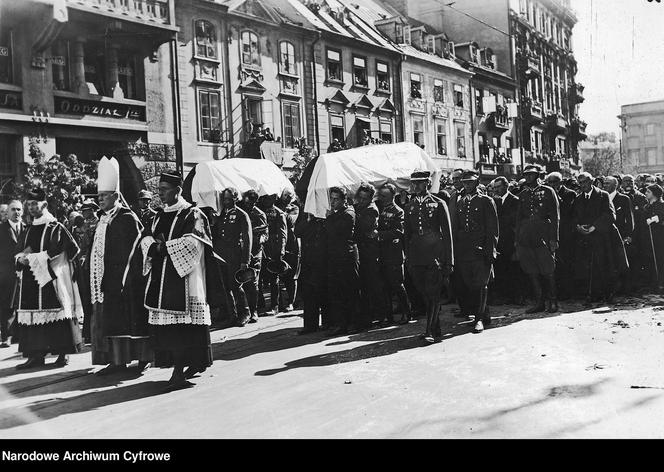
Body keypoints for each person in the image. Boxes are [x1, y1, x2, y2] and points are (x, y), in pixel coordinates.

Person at [141, 171, 228, 391]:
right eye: (159, 189)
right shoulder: (159, 215)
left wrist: (162, 248)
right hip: (162, 278)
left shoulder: (193, 214)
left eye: (164, 189)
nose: (159, 194)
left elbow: (193, 245)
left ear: (177, 190)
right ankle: (179, 367)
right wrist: (153, 247)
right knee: (170, 329)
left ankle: (182, 370)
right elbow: (146, 238)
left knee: (185, 328)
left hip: (186, 278)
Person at [90, 157, 151, 374]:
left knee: (132, 318)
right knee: (113, 320)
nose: (100, 200)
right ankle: (117, 360)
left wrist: (127, 276)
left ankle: (143, 358)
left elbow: (137, 250)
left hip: (128, 279)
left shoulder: (127, 218)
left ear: (116, 196)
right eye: (98, 196)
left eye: (104, 196)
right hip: (108, 280)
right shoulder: (102, 219)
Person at [14, 188, 83, 369]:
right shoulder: (28, 228)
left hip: (52, 277)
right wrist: (20, 258)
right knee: (33, 315)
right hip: (31, 279)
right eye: (28, 204)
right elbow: (21, 248)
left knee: (56, 314)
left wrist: (33, 258)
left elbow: (68, 249)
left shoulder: (55, 227)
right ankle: (35, 355)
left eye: (34, 204)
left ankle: (62, 354)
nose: (30, 208)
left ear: (44, 204)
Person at [404, 171, 453, 343]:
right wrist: (408, 258)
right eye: (413, 183)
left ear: (427, 183)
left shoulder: (438, 203)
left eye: (419, 183)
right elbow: (407, 235)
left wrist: (449, 260)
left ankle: (429, 331)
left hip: (434, 255)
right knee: (424, 292)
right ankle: (435, 326)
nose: (416, 186)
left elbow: (447, 235)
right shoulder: (409, 206)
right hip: (417, 255)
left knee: (433, 293)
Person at [452, 171, 498, 333]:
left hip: (481, 248)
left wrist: (491, 250)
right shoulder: (460, 202)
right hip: (464, 250)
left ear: (477, 182)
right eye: (464, 182)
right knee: (470, 284)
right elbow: (457, 228)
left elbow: (492, 228)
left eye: (470, 182)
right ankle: (484, 314)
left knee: (481, 284)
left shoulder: (486, 201)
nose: (466, 185)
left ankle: (479, 319)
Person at [572, 172, 628, 304]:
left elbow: (610, 215)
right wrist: (578, 227)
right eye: (580, 183)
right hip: (585, 239)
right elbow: (573, 217)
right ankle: (592, 294)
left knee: (604, 265)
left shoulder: (603, 195)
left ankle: (608, 293)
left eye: (585, 182)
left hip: (602, 238)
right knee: (588, 267)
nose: (582, 185)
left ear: (591, 182)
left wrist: (594, 227)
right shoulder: (578, 199)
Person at [515, 165, 560, 314]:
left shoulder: (548, 191)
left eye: (531, 175)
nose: (528, 177)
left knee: (548, 270)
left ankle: (553, 301)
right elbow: (519, 218)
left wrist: (554, 239)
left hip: (544, 236)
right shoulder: (523, 194)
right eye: (526, 175)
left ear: (538, 175)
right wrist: (518, 238)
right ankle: (539, 301)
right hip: (527, 237)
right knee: (532, 270)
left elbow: (555, 217)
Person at [212, 187, 252, 327]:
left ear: (236, 198)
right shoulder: (221, 214)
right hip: (222, 255)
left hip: (235, 255)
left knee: (236, 286)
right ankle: (232, 315)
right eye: (224, 199)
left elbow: (247, 239)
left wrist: (245, 261)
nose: (226, 201)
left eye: (229, 199)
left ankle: (245, 313)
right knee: (226, 287)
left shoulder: (241, 215)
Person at [326, 186, 360, 336]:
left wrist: (328, 218)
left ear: (344, 200)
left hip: (347, 256)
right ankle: (342, 323)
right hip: (336, 256)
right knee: (338, 291)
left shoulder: (348, 214)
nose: (332, 202)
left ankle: (353, 323)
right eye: (331, 199)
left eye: (336, 199)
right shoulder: (338, 213)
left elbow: (336, 232)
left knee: (349, 290)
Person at [376, 183, 411, 324]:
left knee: (397, 285)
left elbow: (399, 231)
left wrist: (380, 235)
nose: (382, 198)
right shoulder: (379, 209)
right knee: (384, 286)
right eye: (381, 195)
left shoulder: (398, 211)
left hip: (394, 253)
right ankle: (388, 316)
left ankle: (407, 313)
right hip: (382, 253)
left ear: (392, 196)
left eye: (385, 196)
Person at [354, 183, 382, 329]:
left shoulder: (372, 209)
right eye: (361, 197)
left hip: (369, 251)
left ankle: (374, 316)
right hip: (361, 249)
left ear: (371, 198)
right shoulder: (358, 207)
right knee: (362, 285)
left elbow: (362, 227)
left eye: (365, 198)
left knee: (370, 285)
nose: (362, 200)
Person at [545, 172, 577, 300]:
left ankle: (567, 292)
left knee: (566, 263)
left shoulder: (569, 193)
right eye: (550, 182)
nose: (552, 185)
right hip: (552, 233)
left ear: (561, 182)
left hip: (566, 233)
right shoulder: (547, 193)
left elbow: (569, 213)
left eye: (555, 182)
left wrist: (558, 198)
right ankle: (555, 292)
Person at [295, 212, 327, 334]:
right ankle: (310, 325)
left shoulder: (325, 212)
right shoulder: (305, 214)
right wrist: (308, 219)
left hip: (323, 258)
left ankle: (327, 323)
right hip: (308, 259)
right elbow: (297, 231)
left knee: (323, 292)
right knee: (308, 294)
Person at [490, 176, 521, 305]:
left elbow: (516, 222)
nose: (496, 190)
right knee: (501, 268)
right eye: (494, 187)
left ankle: (516, 296)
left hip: (511, 240)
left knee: (513, 269)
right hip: (499, 241)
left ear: (506, 186)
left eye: (499, 187)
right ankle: (503, 295)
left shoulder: (515, 200)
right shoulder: (493, 202)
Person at [240, 189, 268, 323]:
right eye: (246, 203)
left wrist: (261, 238)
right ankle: (245, 311)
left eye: (250, 203)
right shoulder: (240, 212)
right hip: (242, 250)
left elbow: (265, 233)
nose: (248, 206)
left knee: (253, 282)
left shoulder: (259, 214)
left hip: (256, 250)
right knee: (242, 281)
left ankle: (254, 310)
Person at [604, 176, 634, 295]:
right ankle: (612, 287)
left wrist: (629, 235)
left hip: (621, 236)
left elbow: (630, 219)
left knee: (621, 262)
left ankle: (624, 288)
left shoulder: (624, 199)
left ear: (615, 185)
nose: (605, 185)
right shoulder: (602, 198)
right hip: (606, 236)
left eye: (608, 183)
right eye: (604, 183)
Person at [0, 200, 23, 347]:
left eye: (19, 210)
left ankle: (19, 335)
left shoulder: (27, 228)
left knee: (22, 304)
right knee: (6, 304)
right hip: (5, 272)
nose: (17, 212)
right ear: (7, 212)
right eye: (13, 210)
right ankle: (6, 335)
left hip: (24, 272)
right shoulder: (1, 229)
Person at [621, 174, 650, 291]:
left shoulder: (641, 197)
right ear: (621, 183)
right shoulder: (620, 197)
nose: (628, 183)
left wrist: (634, 235)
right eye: (626, 181)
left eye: (630, 181)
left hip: (639, 233)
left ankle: (637, 284)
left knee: (638, 259)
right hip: (624, 233)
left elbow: (642, 217)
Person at [276, 189, 301, 312]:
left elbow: (291, 221)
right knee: (281, 275)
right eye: (285, 195)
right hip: (281, 244)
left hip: (292, 244)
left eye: (289, 196)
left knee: (292, 275)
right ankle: (279, 303)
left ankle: (291, 302)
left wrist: (282, 214)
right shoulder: (277, 206)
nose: (287, 197)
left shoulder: (294, 208)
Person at [263, 194, 287, 316]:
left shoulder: (279, 213)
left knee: (274, 278)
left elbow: (283, 233)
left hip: (275, 247)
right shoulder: (261, 211)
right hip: (265, 247)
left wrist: (282, 249)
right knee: (265, 276)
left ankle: (275, 305)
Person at [644, 184, 664, 291]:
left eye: (648, 192)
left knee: (660, 259)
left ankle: (661, 282)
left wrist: (658, 219)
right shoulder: (646, 206)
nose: (646, 193)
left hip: (660, 238)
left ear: (655, 194)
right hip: (648, 238)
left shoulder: (662, 205)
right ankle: (653, 282)